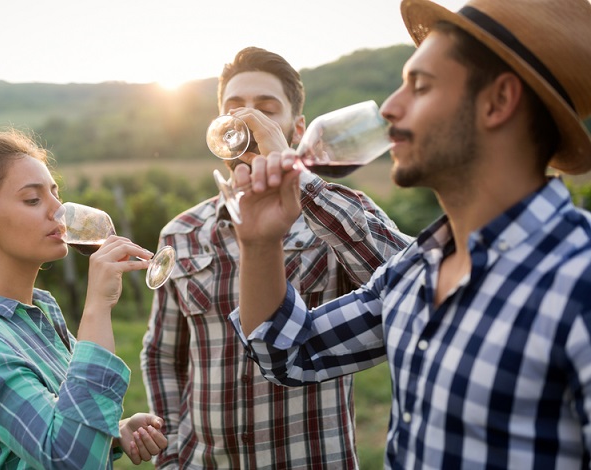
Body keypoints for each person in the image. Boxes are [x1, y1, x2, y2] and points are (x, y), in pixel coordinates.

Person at [230, 0, 591, 468]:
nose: (391, 107)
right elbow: (288, 353)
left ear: (498, 102)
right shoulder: (414, 268)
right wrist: (260, 244)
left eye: (419, 86)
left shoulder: (579, 281)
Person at [140, 47, 411, 468]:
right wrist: (172, 454)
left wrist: (298, 179)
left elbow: (415, 282)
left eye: (266, 110)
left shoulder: (337, 216)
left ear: (296, 127)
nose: (247, 120)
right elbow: (162, 354)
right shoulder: (180, 233)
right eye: (235, 108)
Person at [0, 129, 168, 469]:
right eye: (33, 200)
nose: (59, 212)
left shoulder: (41, 310)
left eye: (55, 194)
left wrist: (115, 432)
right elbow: (69, 460)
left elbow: (61, 420)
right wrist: (97, 308)